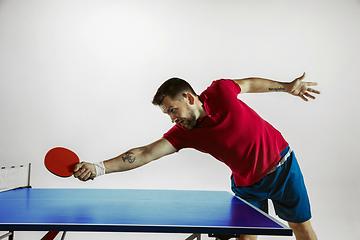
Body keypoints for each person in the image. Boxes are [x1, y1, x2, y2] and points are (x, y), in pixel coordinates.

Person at [74, 72, 320, 240]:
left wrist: (287, 87)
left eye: (173, 110)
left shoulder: (221, 91)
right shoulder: (184, 133)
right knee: (246, 237)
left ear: (189, 98)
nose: (172, 118)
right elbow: (145, 153)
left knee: (302, 229)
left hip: (283, 167)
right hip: (248, 185)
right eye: (167, 114)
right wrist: (98, 168)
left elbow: (249, 84)